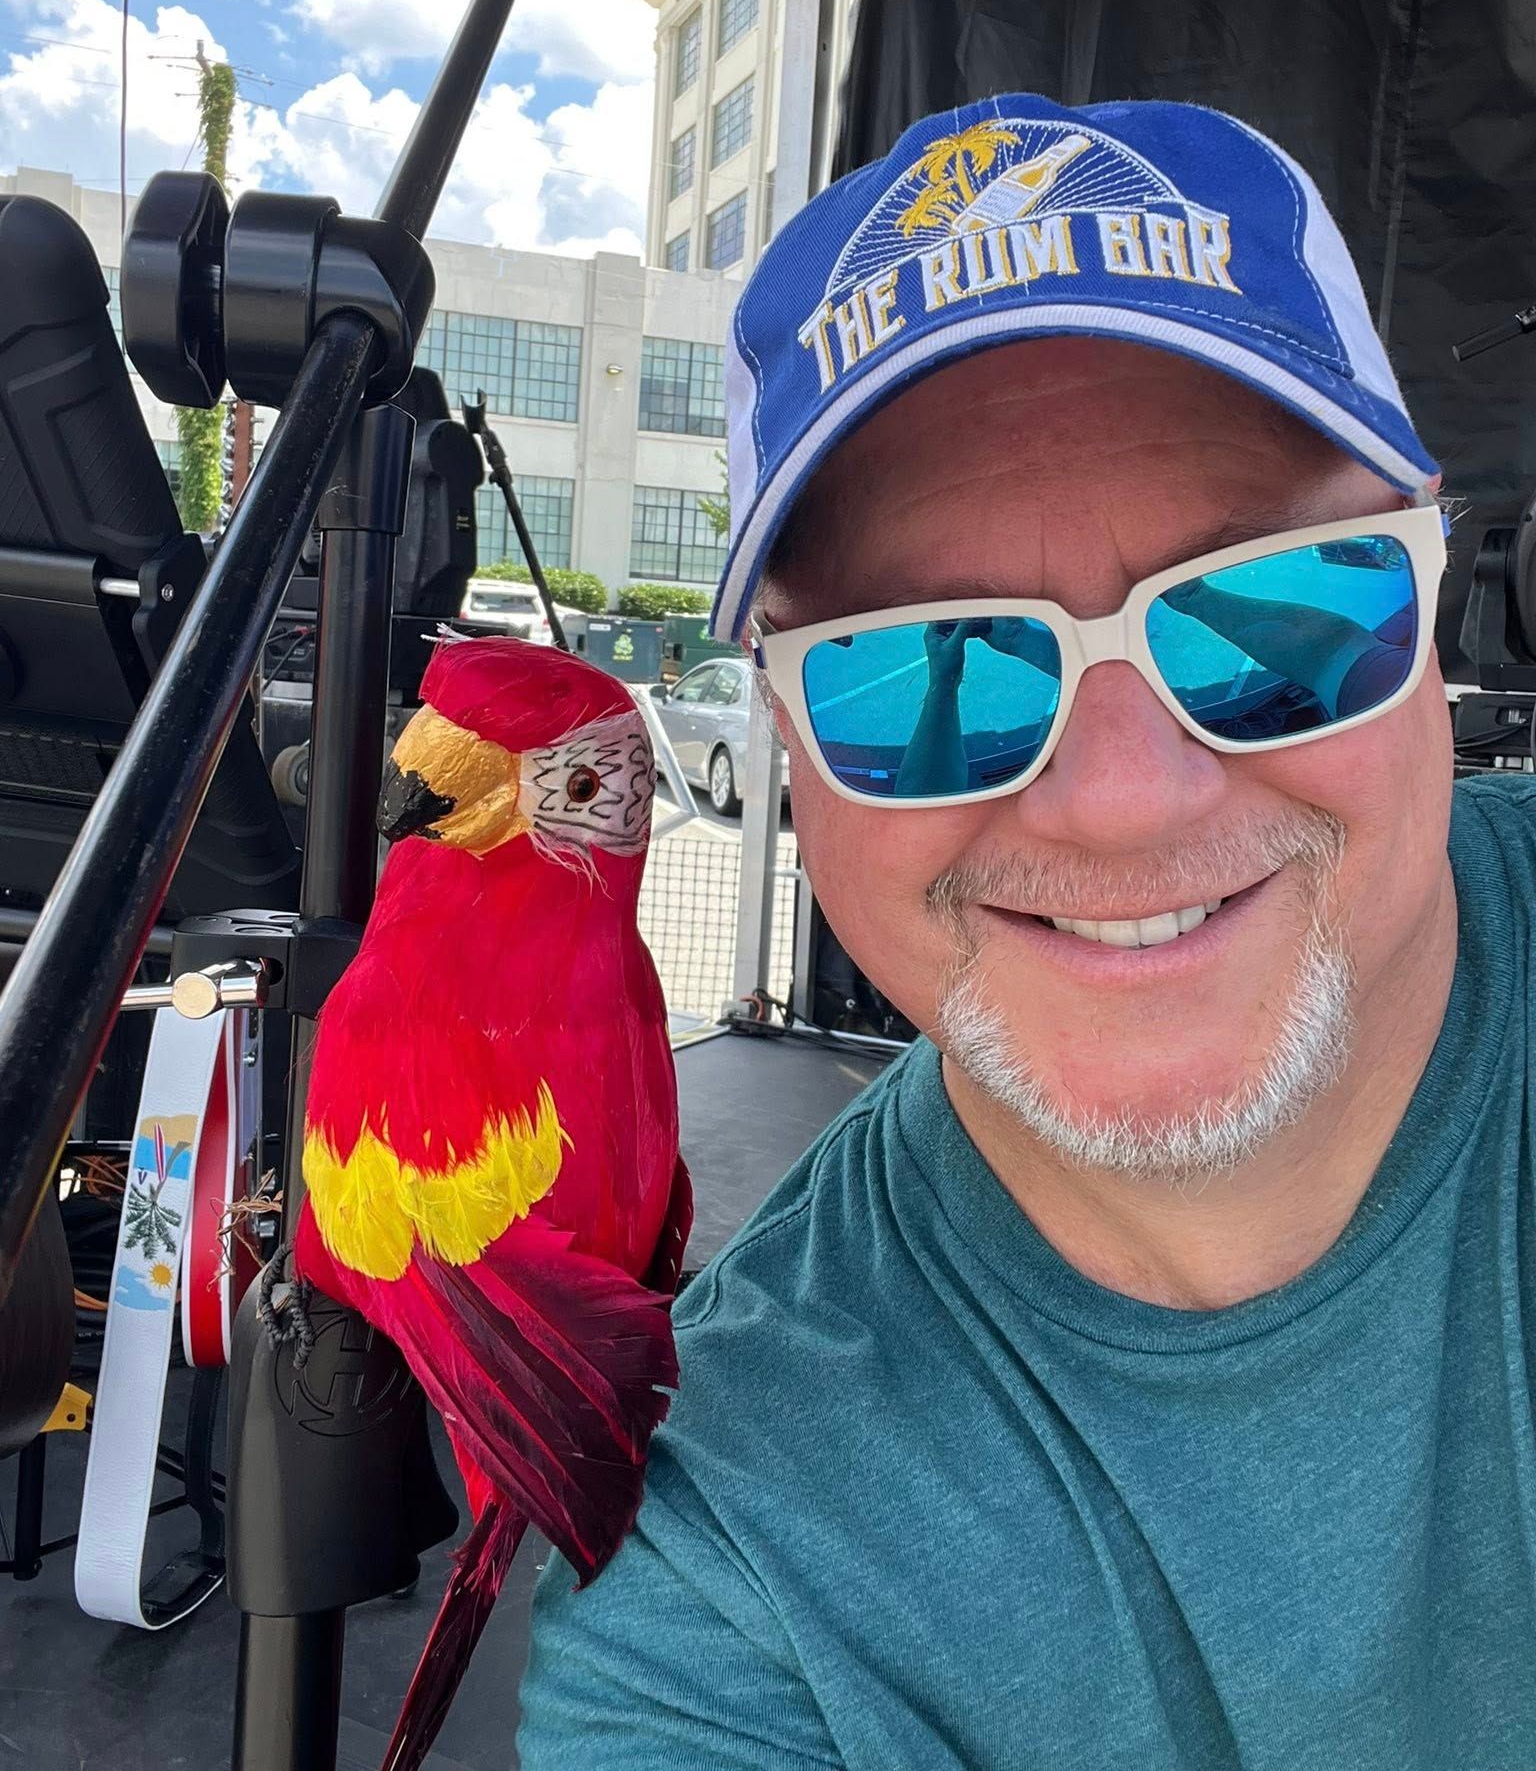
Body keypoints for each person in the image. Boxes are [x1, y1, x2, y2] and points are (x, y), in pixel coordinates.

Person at [516, 94, 1536, 1767]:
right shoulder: (720, 1575)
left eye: (1275, 613)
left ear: (1433, 597)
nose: (1121, 800)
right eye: (926, 672)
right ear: (788, 735)